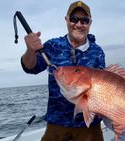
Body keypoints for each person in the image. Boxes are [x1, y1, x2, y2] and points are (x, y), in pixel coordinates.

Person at [21, 1, 105, 141]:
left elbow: (101, 88)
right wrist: (30, 50)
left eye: (84, 20)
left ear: (90, 23)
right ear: (66, 20)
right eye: (74, 19)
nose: (79, 24)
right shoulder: (53, 46)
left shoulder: (97, 52)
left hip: (89, 125)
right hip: (57, 123)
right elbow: (30, 68)